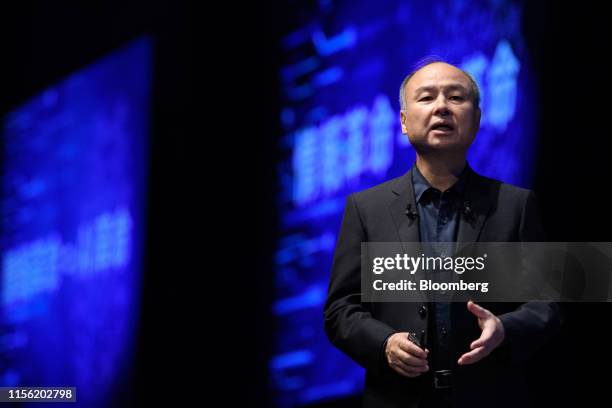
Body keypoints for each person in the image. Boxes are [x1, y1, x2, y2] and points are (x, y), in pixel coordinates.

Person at [323, 59, 562, 408]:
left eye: (455, 97)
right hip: (397, 397)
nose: (441, 107)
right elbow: (340, 308)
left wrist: (505, 328)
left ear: (477, 118)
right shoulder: (366, 208)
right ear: (404, 122)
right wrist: (385, 343)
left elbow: (548, 302)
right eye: (426, 98)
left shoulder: (516, 204)